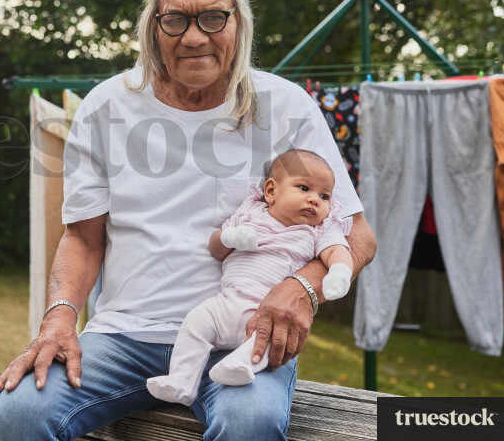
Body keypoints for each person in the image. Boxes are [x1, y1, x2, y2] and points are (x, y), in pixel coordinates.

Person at [0, 0, 377, 441]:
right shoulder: (106, 107)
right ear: (154, 25)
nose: (195, 37)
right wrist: (60, 317)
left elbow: (357, 234)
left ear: (239, 22)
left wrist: (301, 287)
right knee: (19, 416)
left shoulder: (286, 107)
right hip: (123, 337)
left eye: (214, 18)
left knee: (250, 424)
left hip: (242, 334)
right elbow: (83, 239)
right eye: (176, 20)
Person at [147, 149, 354, 406]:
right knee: (196, 323)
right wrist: (230, 237)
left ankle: (239, 366)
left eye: (324, 196)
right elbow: (216, 248)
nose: (315, 200)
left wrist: (340, 272)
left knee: (266, 340)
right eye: (304, 188)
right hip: (225, 303)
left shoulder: (317, 231)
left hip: (268, 312)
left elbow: (338, 251)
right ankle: (181, 381)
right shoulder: (249, 214)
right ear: (271, 191)